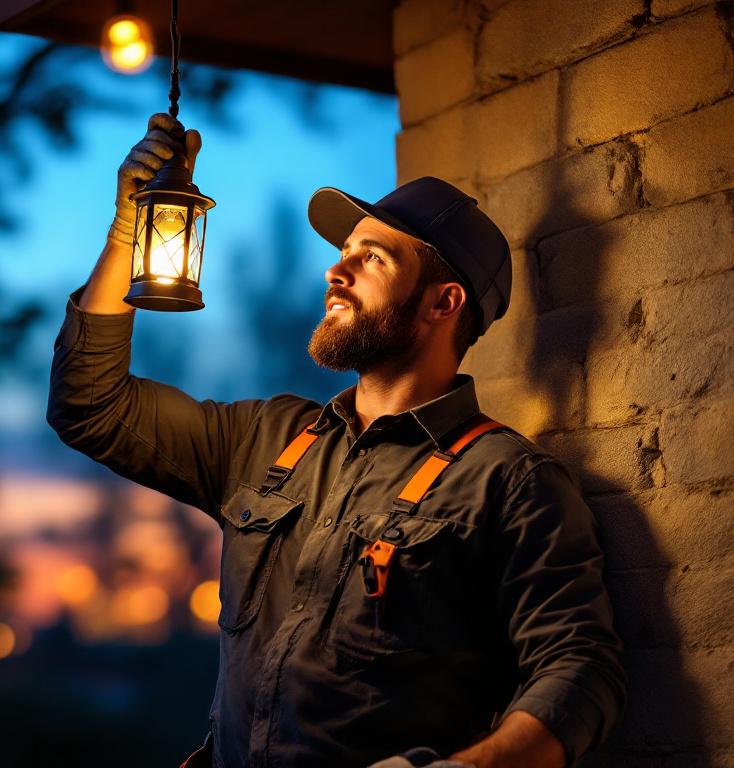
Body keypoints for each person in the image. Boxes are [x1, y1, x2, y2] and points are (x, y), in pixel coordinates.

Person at [46, 113, 626, 768]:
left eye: (371, 257)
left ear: (444, 303)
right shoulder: (263, 440)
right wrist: (128, 231)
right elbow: (88, 405)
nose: (335, 271)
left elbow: (581, 667)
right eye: (343, 251)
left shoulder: (509, 481)